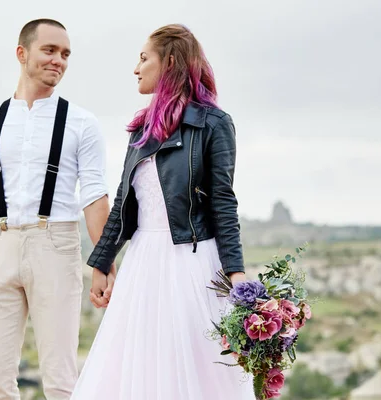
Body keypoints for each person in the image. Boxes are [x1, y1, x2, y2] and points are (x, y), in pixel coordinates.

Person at [71, 24, 256, 399]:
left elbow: (223, 202)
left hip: (192, 264)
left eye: (143, 58)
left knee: (197, 369)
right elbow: (125, 202)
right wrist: (101, 264)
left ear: (169, 62)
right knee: (138, 371)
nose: (135, 68)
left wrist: (236, 274)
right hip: (142, 265)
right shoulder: (142, 128)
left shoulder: (215, 124)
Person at [0, 18, 112, 400]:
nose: (59, 61)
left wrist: (103, 262)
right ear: (22, 53)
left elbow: (94, 197)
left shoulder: (81, 123)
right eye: (50, 50)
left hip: (55, 244)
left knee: (61, 382)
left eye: (66, 54)